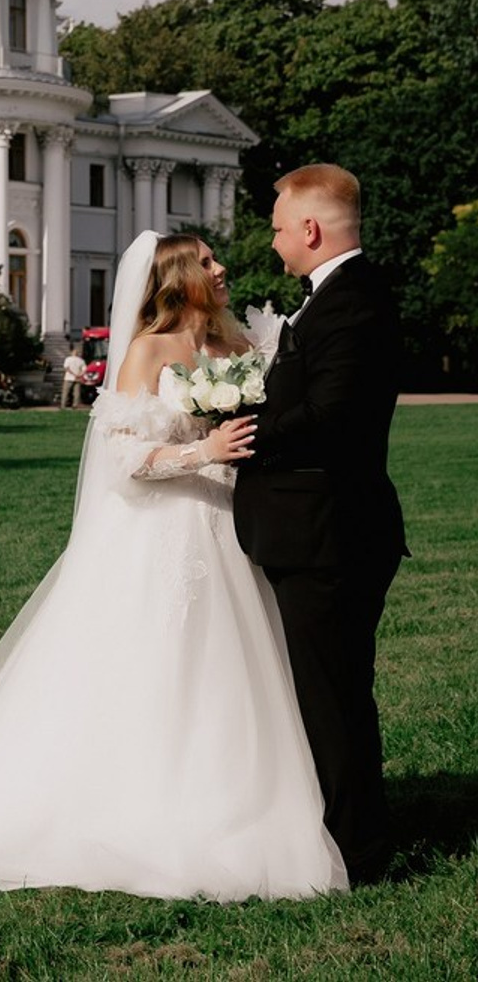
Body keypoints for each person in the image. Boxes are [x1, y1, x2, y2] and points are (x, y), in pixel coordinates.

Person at [0, 232, 346, 901]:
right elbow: (126, 455)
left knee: (234, 663)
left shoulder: (239, 344)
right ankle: (139, 801)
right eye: (209, 262)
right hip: (164, 528)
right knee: (158, 662)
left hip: (229, 525)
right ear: (179, 278)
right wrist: (204, 450)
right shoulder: (148, 352)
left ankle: (242, 795)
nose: (223, 270)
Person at [233, 164, 409, 886]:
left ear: (310, 229)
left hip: (329, 533)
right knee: (331, 690)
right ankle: (351, 830)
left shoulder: (353, 303)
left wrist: (247, 430)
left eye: (278, 228)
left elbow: (333, 417)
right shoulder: (335, 297)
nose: (273, 243)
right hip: (323, 528)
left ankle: (358, 852)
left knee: (332, 698)